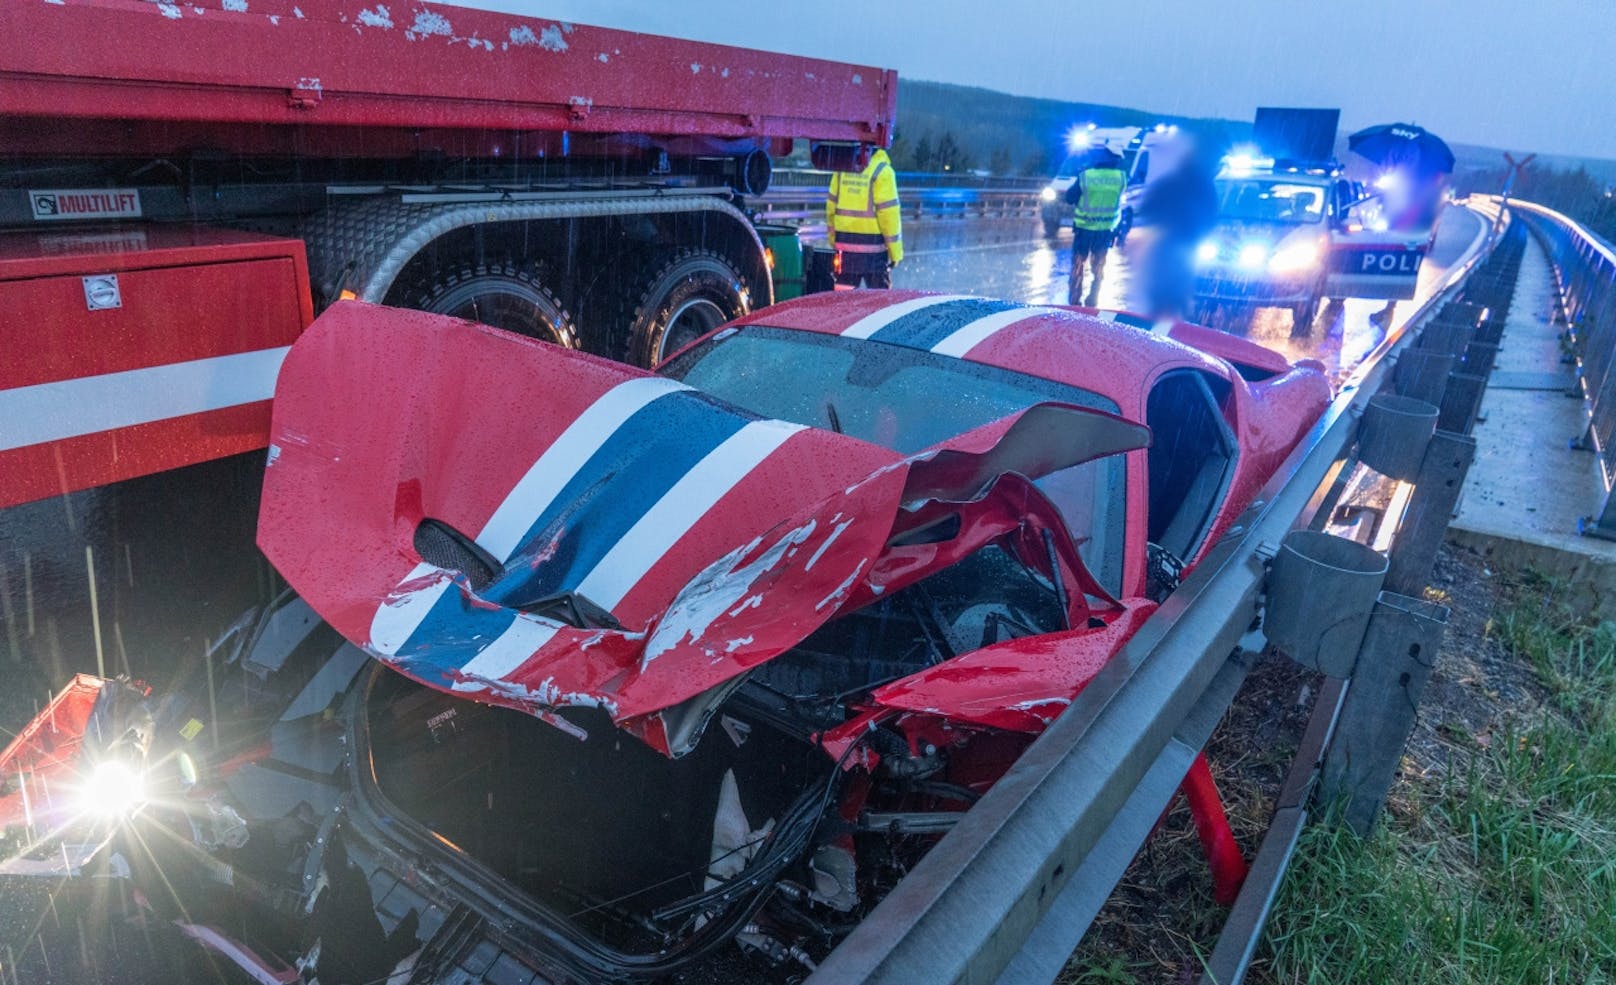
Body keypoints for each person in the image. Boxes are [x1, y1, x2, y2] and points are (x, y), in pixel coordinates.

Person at [1127, 139, 1218, 320]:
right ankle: (1180, 325)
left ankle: (1159, 323)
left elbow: (1147, 207)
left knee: (1162, 288)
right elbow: (1212, 215)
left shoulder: (1172, 182)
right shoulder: (1205, 186)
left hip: (1169, 242)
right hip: (1188, 243)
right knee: (1179, 288)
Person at [827, 146, 903, 288]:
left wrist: (833, 241)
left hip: (845, 249)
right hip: (874, 252)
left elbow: (831, 208)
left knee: (843, 304)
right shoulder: (882, 172)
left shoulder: (843, 170)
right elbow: (889, 217)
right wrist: (895, 253)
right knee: (879, 304)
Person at [1063, 147, 1127, 306]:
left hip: (1084, 230)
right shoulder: (1121, 178)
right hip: (1105, 231)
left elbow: (1069, 197)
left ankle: (1074, 301)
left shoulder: (1086, 176)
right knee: (1099, 267)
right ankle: (1093, 300)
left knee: (1078, 266)